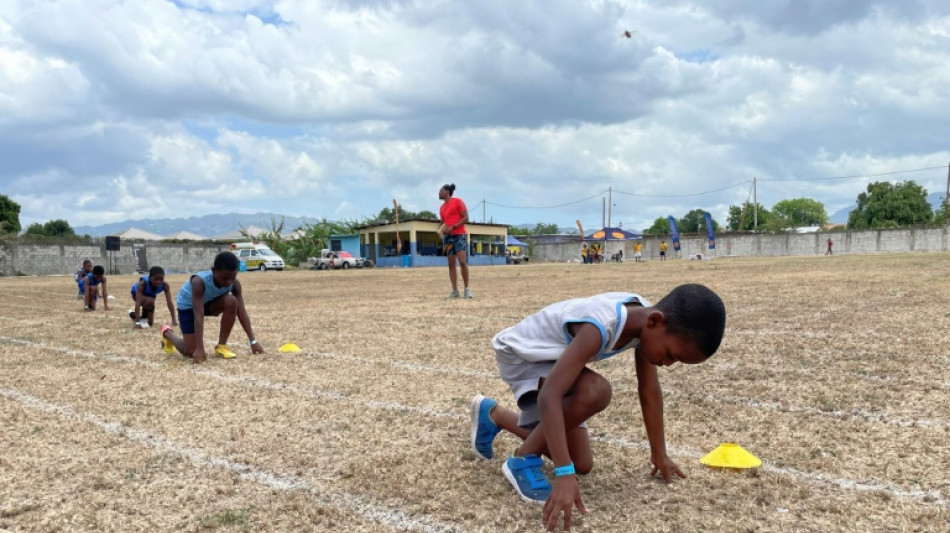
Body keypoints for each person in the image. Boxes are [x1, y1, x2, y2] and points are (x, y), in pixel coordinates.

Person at [469, 284, 726, 531]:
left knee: (581, 464)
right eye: (671, 354)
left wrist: (660, 453)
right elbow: (550, 396)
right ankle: (522, 460)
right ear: (655, 322)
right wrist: (562, 473)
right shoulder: (600, 326)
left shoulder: (646, 322)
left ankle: (495, 416)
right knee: (596, 391)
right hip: (523, 353)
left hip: (553, 358)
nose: (668, 363)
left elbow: (649, 392)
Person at [160, 252, 264, 364]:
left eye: (232, 278)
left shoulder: (234, 284)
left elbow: (242, 312)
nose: (228, 282)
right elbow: (198, 315)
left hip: (209, 303)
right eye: (224, 278)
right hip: (188, 306)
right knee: (190, 351)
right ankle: (167, 333)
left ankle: (221, 346)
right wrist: (200, 348)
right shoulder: (199, 282)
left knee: (232, 301)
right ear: (213, 270)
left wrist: (253, 341)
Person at [438, 183, 473, 298]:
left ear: (447, 191)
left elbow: (466, 218)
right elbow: (443, 222)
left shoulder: (458, 201)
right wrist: (440, 230)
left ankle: (467, 289)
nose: (439, 193)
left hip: (459, 235)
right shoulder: (442, 208)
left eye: (441, 191)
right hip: (448, 238)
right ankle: (455, 291)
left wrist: (453, 227)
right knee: (451, 264)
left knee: (462, 262)